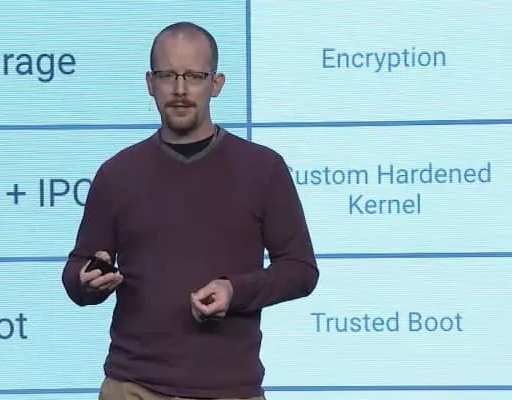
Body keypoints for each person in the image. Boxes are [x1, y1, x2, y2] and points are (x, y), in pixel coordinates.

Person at [61, 21, 319, 400]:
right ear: (150, 83)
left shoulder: (263, 169)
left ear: (216, 84)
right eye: (168, 75)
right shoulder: (117, 174)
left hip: (229, 390)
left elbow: (301, 270)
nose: (180, 90)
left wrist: (235, 290)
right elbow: (76, 272)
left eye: (194, 76)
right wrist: (85, 282)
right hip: (132, 386)